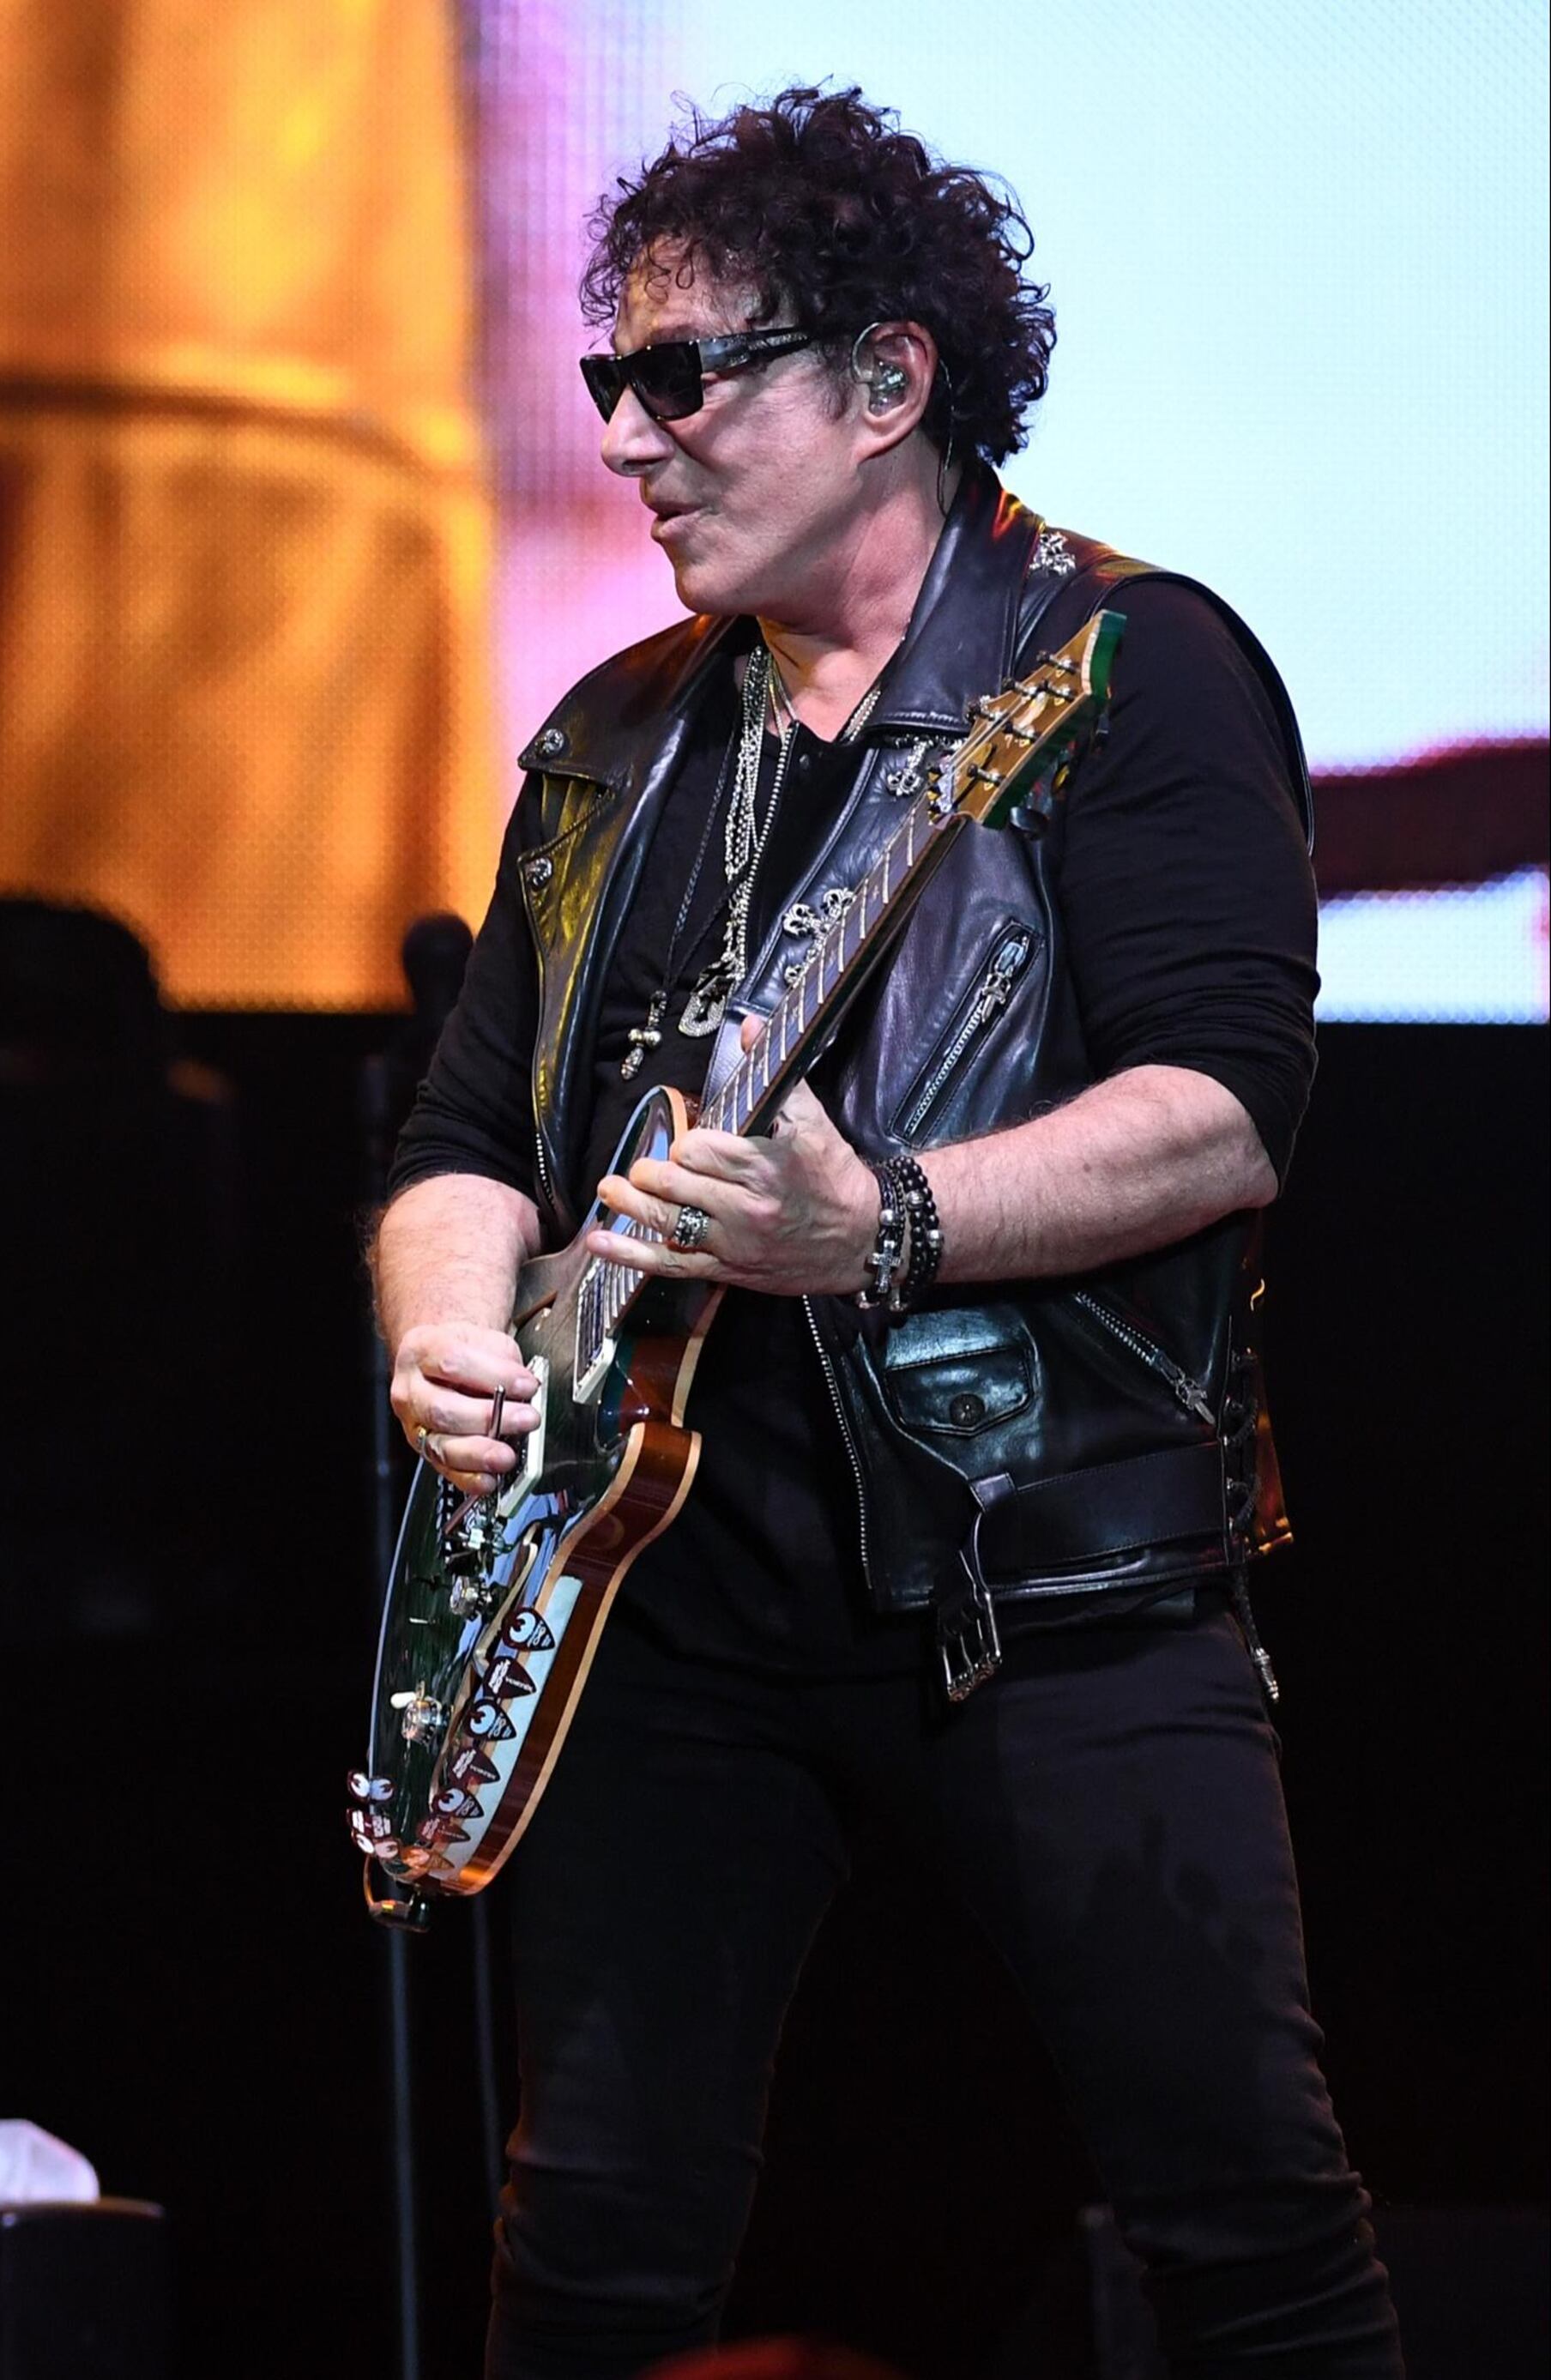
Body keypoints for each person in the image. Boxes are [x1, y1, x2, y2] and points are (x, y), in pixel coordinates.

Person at [376, 90, 1403, 2377]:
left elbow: (1227, 1109)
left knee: (1246, 2230)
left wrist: (891, 1222)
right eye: (610, 379)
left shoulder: (1124, 667)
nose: (625, 439)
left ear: (886, 382)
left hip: (1053, 1586)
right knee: (589, 2250)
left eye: (683, 376)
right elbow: (464, 1130)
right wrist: (450, 1328)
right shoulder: (618, 738)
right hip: (661, 1596)